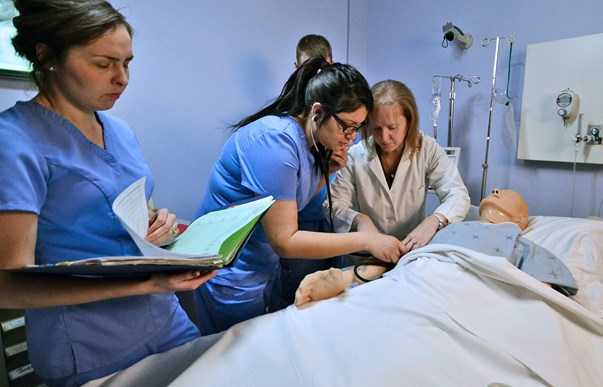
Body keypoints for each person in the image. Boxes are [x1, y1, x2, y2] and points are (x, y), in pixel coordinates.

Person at [0, 0, 216, 387]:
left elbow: (135, 212)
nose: (122, 79)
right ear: (47, 56)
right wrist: (147, 283)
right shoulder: (6, 142)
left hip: (165, 318)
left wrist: (162, 223)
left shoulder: (120, 130)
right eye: (104, 64)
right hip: (91, 346)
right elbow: (6, 287)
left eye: (127, 63)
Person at [192, 57, 408, 334]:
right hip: (227, 270)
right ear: (317, 112)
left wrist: (327, 172)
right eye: (348, 126)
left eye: (357, 128)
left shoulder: (310, 142)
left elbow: (293, 203)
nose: (352, 138)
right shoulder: (275, 144)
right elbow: (285, 240)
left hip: (260, 264)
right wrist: (368, 239)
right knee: (234, 355)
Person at [295, 188, 578, 306]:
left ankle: (349, 280)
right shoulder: (454, 227)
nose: (494, 191)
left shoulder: (514, 237)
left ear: (520, 219)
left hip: (471, 277)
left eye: (504, 193)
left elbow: (544, 284)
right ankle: (345, 279)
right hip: (426, 264)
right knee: (396, 265)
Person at [326, 79, 470, 261]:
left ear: (409, 122)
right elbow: (334, 204)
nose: (384, 137)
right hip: (364, 256)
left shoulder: (427, 149)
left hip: (410, 253)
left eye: (392, 127)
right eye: (376, 128)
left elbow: (457, 194)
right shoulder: (356, 155)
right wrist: (359, 219)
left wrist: (435, 220)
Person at [273, 34, 339, 310]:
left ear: (332, 64)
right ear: (296, 69)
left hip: (335, 217)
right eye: (307, 69)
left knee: (333, 294)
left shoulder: (342, 115)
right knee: (299, 300)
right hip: (301, 221)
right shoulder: (285, 126)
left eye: (321, 69)